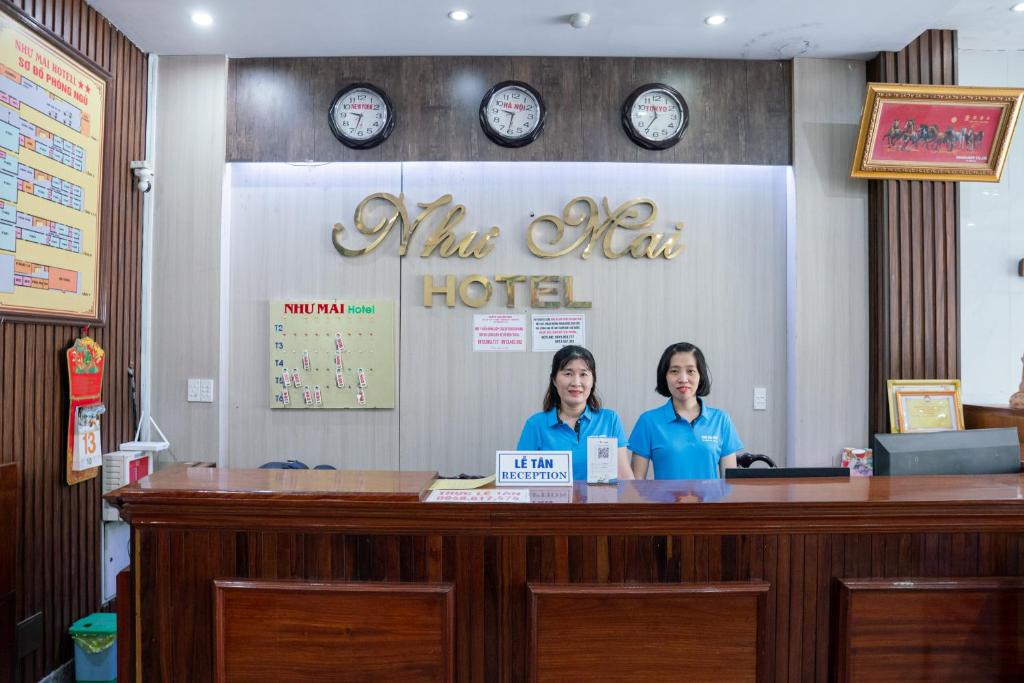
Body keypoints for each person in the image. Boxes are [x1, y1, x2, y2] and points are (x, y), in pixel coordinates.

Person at [517, 345, 633, 481]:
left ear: (593, 380)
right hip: (551, 501)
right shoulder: (535, 424)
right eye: (568, 374)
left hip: (601, 501)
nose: (576, 382)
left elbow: (625, 478)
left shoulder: (610, 420)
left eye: (583, 374)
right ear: (554, 380)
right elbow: (522, 480)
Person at [630, 342, 742, 480]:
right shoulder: (648, 421)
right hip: (663, 502)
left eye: (691, 371)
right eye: (674, 371)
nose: (683, 379)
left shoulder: (721, 420)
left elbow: (730, 484)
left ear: (700, 375)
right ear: (664, 376)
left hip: (710, 502)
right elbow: (635, 484)